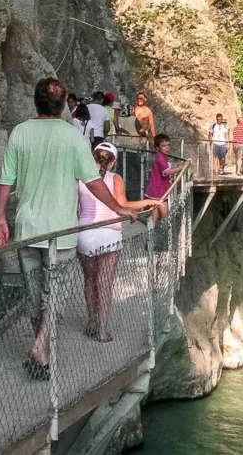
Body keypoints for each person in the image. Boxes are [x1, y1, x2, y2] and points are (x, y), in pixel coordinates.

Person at [0, 78, 137, 380]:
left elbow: (6, 180)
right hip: (60, 232)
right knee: (54, 293)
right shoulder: (74, 138)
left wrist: (0, 218)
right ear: (63, 107)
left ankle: (41, 348)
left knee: (34, 294)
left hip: (28, 228)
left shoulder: (20, 133)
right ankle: (41, 347)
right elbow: (94, 182)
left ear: (36, 102)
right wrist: (120, 208)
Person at [78, 142, 163, 342]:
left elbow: (75, 207)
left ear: (93, 157)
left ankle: (91, 322)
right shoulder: (115, 178)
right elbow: (122, 205)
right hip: (109, 234)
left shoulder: (81, 179)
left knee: (89, 281)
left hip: (84, 234)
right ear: (114, 161)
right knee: (105, 283)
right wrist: (148, 202)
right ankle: (102, 330)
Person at [146, 134, 187, 200]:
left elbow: (168, 168)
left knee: (157, 210)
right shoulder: (160, 157)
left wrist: (181, 165)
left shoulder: (163, 156)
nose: (167, 147)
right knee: (164, 210)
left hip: (159, 190)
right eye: (164, 146)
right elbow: (166, 172)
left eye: (168, 145)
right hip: (158, 191)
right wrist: (183, 167)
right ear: (157, 147)